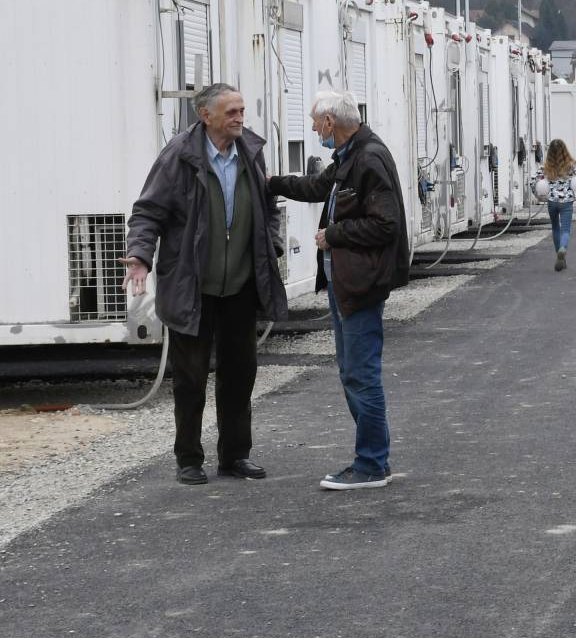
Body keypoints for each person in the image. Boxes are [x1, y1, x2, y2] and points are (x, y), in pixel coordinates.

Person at [123, 83, 289, 485]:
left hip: (241, 286)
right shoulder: (179, 156)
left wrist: (273, 242)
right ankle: (189, 459)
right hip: (192, 285)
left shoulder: (251, 149)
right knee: (191, 377)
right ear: (206, 115)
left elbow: (268, 206)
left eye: (242, 110)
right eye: (231, 111)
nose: (239, 117)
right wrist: (141, 255)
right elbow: (148, 212)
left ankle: (235, 456)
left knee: (240, 374)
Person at [268, 89, 410, 491]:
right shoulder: (349, 157)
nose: (314, 131)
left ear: (331, 123)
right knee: (352, 372)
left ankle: (371, 464)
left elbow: (386, 224)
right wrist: (271, 184)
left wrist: (334, 233)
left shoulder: (368, 158)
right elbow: (318, 187)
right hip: (346, 283)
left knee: (361, 374)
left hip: (360, 284)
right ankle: (372, 460)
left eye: (316, 123)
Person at [533, 138, 576, 271]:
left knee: (555, 228)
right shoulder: (572, 165)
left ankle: (560, 257)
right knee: (565, 230)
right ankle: (563, 249)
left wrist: (537, 195)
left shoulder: (545, 167)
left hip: (552, 201)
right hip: (567, 202)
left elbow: (532, 181)